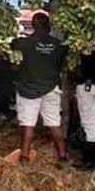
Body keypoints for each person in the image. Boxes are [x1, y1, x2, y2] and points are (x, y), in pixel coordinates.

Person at [11, 12, 68, 166]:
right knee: (54, 123)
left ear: (33, 26)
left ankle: (24, 158)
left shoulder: (22, 44)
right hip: (51, 88)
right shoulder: (60, 46)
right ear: (48, 26)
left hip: (28, 89)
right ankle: (62, 157)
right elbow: (63, 66)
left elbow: (14, 65)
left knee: (28, 124)